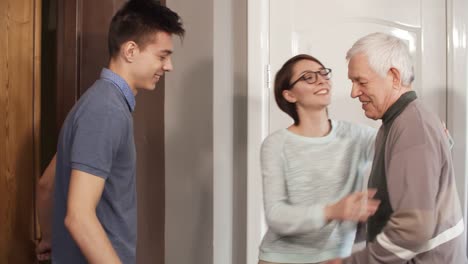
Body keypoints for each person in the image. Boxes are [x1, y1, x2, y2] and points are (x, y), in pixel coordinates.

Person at [40, 1, 185, 263]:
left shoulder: (96, 103)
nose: (168, 66)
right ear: (131, 50)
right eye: (162, 56)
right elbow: (79, 216)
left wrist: (50, 241)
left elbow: (46, 186)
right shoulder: (105, 111)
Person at [332, 32, 467, 263]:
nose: (354, 92)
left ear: (394, 76)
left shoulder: (412, 126)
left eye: (361, 82)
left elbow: (412, 229)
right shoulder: (396, 121)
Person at [258, 54, 381, 264]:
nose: (322, 79)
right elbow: (276, 215)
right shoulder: (276, 144)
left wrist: (438, 139)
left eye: (323, 73)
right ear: (289, 95)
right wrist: (333, 211)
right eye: (308, 77)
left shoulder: (358, 136)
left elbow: (400, 150)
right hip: (281, 259)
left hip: (336, 259)